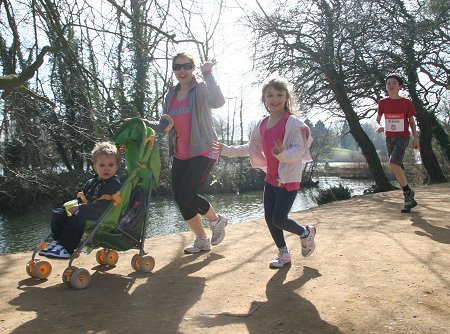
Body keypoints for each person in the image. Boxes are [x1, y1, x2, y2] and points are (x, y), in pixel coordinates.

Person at [218, 76, 316, 268]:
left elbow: (299, 150)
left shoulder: (293, 123)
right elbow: (251, 147)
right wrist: (227, 150)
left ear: (287, 97)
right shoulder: (262, 124)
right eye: (270, 95)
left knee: (279, 218)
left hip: (288, 179)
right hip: (271, 179)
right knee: (269, 219)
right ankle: (283, 253)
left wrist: (281, 154)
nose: (275, 99)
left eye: (279, 94)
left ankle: (306, 232)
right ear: (264, 99)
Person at [162, 51, 228, 254]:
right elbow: (165, 122)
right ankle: (201, 239)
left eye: (187, 66)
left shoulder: (200, 89)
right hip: (180, 152)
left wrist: (208, 74)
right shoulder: (171, 94)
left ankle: (216, 221)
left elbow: (218, 102)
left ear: (193, 68)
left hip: (203, 149)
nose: (182, 70)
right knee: (180, 197)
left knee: (187, 194)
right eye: (177, 66)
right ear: (173, 70)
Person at [39, 141, 122, 258]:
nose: (106, 169)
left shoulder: (113, 184)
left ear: (116, 167)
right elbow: (84, 199)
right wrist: (72, 207)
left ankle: (66, 248)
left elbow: (103, 206)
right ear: (95, 167)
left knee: (78, 214)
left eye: (111, 165)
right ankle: (58, 243)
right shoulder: (92, 182)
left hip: (100, 213)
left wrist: (80, 208)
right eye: (102, 165)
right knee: (58, 213)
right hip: (87, 209)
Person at [376, 73, 419, 213]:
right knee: (397, 167)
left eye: (394, 83)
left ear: (400, 86)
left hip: (403, 136)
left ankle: (408, 193)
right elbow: (377, 120)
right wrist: (378, 127)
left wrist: (416, 138)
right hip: (389, 138)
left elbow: (412, 122)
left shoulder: (406, 102)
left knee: (393, 163)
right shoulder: (383, 102)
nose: (391, 85)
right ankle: (408, 198)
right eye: (388, 83)